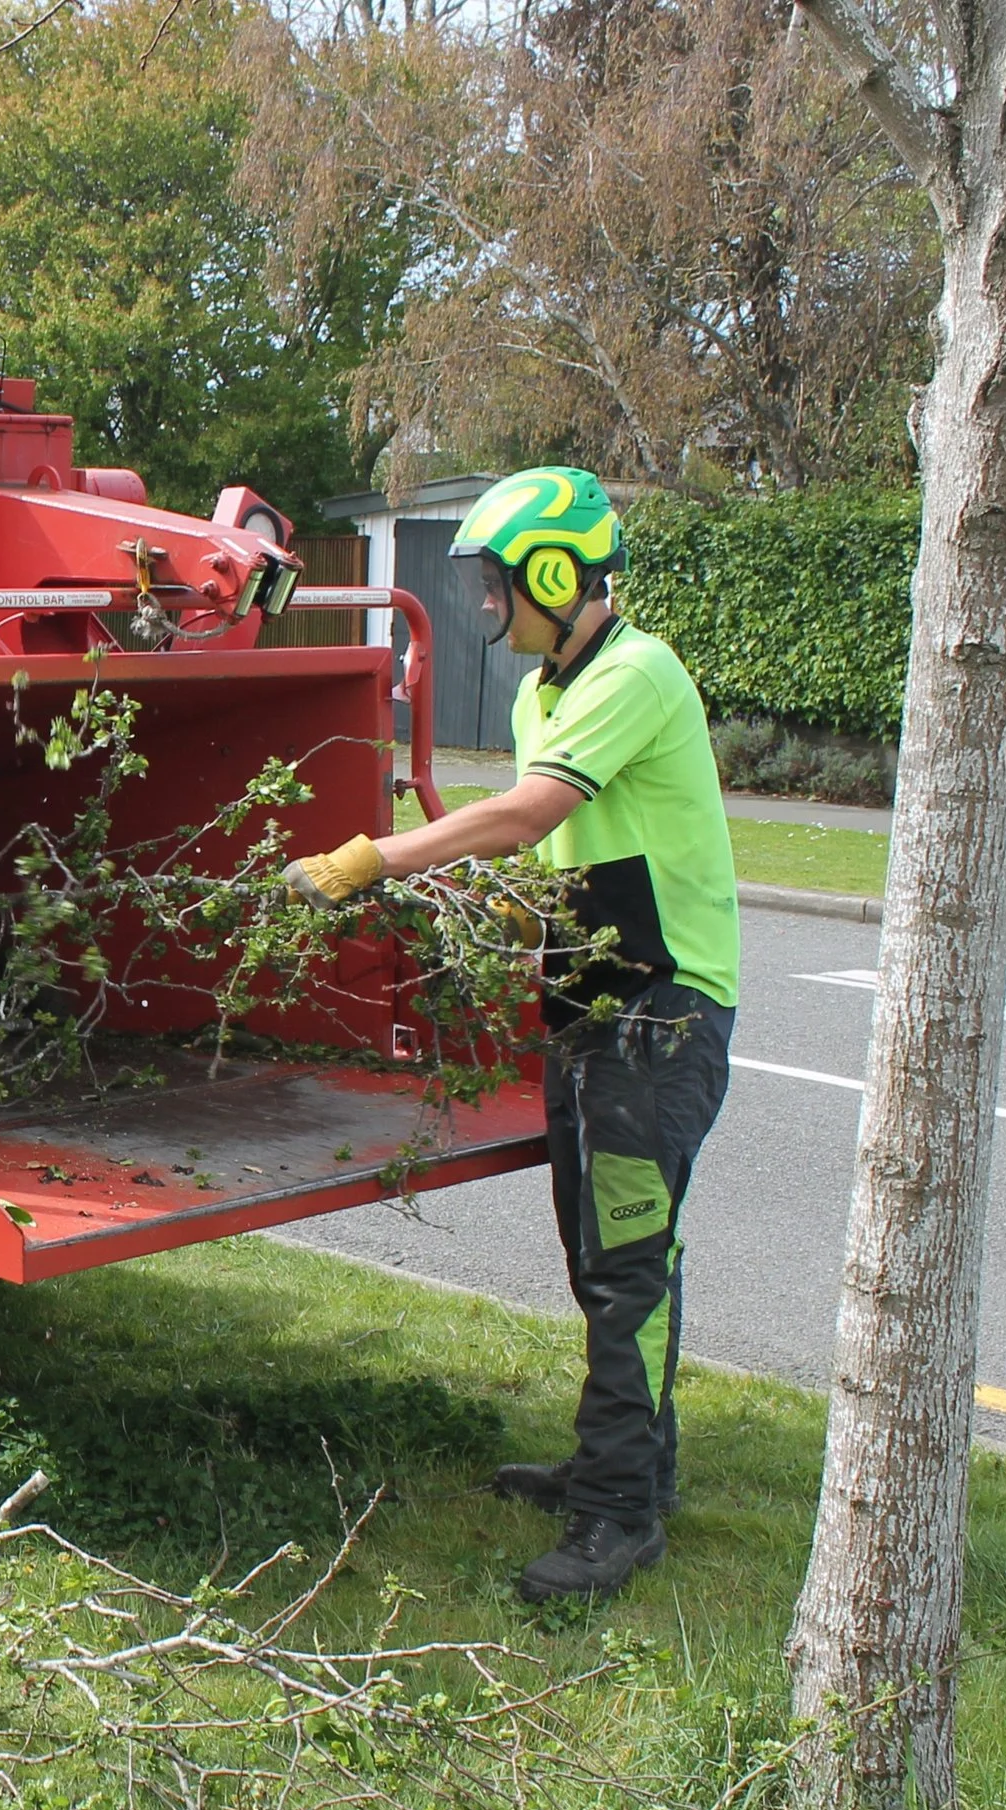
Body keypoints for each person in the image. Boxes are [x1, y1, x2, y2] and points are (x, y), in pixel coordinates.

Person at [283, 467, 738, 1601]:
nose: (488, 604)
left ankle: (617, 1520)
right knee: (602, 1260)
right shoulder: (550, 693)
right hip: (590, 1006)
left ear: (557, 571)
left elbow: (532, 809)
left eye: (500, 583)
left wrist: (377, 858)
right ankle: (626, 1465)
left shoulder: (637, 670)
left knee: (629, 1268)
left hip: (659, 1016)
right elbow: (554, 850)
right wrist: (499, 906)